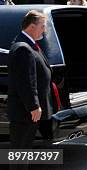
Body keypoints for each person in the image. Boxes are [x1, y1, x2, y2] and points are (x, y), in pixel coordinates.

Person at [8, 11, 52, 151]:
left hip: (28, 113)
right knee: (20, 150)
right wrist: (33, 106)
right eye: (42, 26)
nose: (44, 30)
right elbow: (26, 81)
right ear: (32, 26)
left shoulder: (29, 44)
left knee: (24, 149)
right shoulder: (23, 48)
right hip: (24, 113)